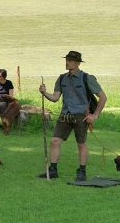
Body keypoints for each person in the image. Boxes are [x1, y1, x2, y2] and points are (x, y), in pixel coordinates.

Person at [37, 50, 107, 180]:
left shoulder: (87, 78)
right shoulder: (62, 78)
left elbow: (103, 97)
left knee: (81, 143)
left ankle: (81, 171)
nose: (67, 62)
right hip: (65, 115)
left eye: (70, 60)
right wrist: (44, 93)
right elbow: (55, 98)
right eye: (67, 60)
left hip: (82, 115)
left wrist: (95, 115)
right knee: (54, 141)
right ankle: (53, 171)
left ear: (77, 63)